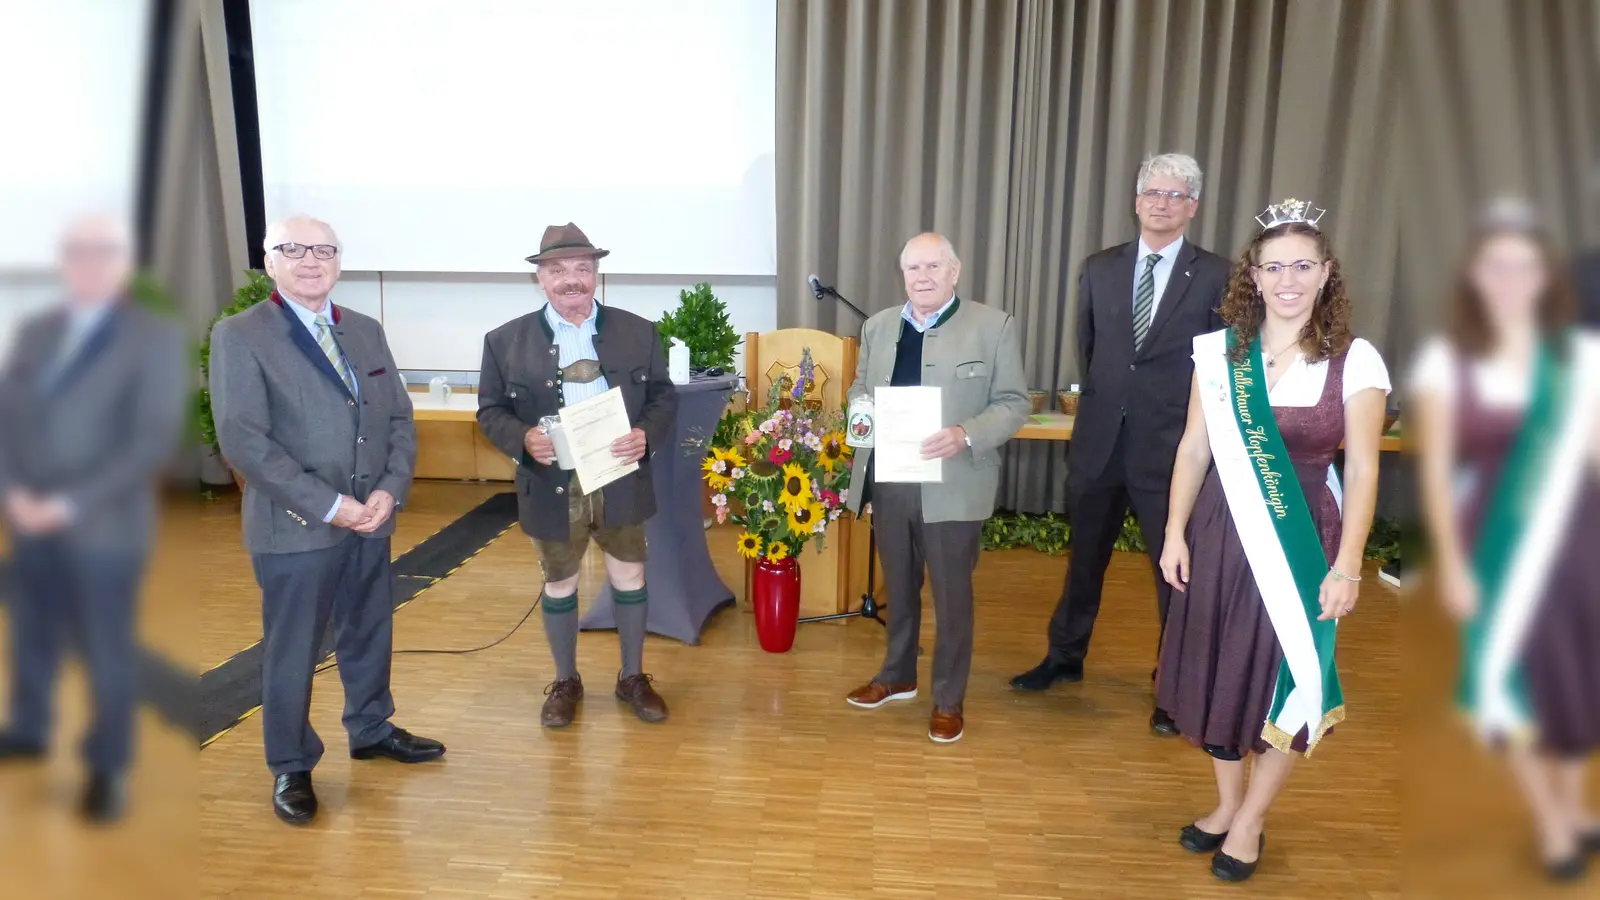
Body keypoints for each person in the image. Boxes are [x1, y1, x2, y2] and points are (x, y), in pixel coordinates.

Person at [1154, 200, 1389, 882]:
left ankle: (1253, 820)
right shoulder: (1223, 354)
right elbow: (1195, 450)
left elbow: (1366, 467)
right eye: (1273, 266)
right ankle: (1228, 805)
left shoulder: (1355, 359)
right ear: (1252, 276)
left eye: (1303, 266)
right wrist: (1174, 531)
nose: (1288, 279)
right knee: (1216, 670)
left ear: (1326, 274)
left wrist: (1347, 567)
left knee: (1286, 681)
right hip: (1220, 533)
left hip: (1303, 537)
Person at [210, 216, 445, 826]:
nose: (310, 260)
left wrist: (390, 492)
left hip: (372, 518)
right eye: (294, 249)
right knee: (294, 648)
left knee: (368, 630)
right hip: (298, 526)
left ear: (339, 261)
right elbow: (245, 440)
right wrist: (329, 504)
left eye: (323, 250)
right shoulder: (241, 335)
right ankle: (291, 764)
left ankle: (371, 728)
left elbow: (397, 419)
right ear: (271, 262)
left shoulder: (364, 331)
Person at [1011, 152, 1231, 738]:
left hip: (1172, 452)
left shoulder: (1217, 275)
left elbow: (1221, 367)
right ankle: (1064, 657)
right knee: (1084, 562)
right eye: (1153, 193)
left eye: (1176, 195)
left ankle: (1173, 686)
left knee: (1174, 574)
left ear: (1193, 207)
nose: (1162, 203)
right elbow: (1091, 351)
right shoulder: (1099, 267)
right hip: (1099, 444)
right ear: (1136, 202)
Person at [1412, 201, 1600, 882]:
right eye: (1498, 265)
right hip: (1491, 539)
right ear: (1475, 275)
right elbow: (1435, 474)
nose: (1512, 278)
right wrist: (1454, 569)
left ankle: (1576, 808)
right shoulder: (1446, 363)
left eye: (1525, 266)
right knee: (1508, 684)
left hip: (1576, 538)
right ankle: (1549, 822)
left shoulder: (1578, 357)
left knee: (1577, 679)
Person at [0, 215, 187, 821]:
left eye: (103, 253)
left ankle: (107, 767)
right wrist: (13, 495)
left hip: (104, 527)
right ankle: (28, 728)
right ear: (64, 262)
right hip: (28, 521)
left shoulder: (154, 338)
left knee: (106, 647)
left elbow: (151, 439)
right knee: (32, 631)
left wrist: (67, 504)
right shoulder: (35, 331)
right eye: (78, 252)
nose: (89, 263)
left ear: (124, 264)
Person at [477, 223, 678, 728]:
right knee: (561, 582)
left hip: (619, 477)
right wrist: (522, 438)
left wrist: (645, 435)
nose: (572, 280)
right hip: (551, 484)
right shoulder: (504, 342)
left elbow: (662, 397)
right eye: (559, 270)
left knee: (629, 574)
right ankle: (566, 680)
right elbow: (490, 411)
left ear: (596, 275)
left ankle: (632, 676)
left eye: (583, 269)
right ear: (540, 279)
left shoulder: (639, 331)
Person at [841, 233, 1029, 744]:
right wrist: (860, 415)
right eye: (912, 269)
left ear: (955, 270)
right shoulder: (879, 326)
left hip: (954, 481)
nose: (922, 277)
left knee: (952, 596)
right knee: (897, 587)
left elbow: (1014, 403)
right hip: (892, 477)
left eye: (932, 267)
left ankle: (948, 698)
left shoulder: (994, 326)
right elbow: (861, 389)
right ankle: (897, 675)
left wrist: (965, 434)